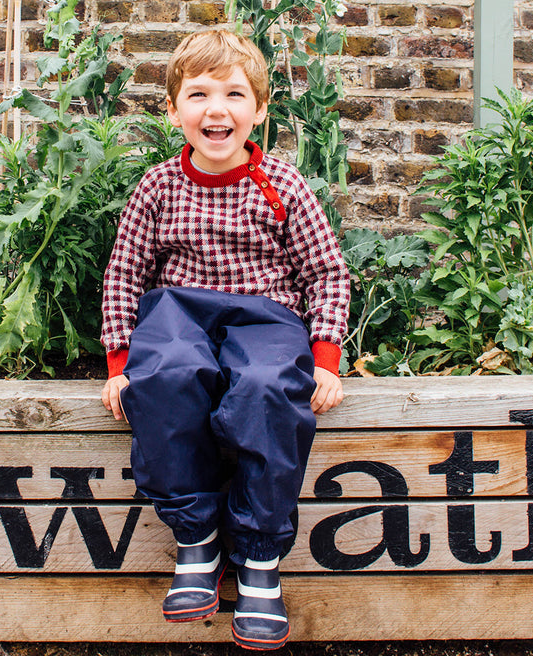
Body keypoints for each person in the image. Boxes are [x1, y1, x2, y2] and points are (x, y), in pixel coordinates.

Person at [101, 29, 350, 650]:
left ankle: (260, 557)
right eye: (199, 94)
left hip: (266, 319)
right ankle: (198, 538)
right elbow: (125, 274)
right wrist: (119, 361)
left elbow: (325, 273)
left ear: (259, 110)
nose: (217, 109)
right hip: (176, 316)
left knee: (268, 389)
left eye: (235, 94)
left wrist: (324, 358)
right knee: (168, 382)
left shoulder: (283, 187)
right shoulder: (157, 188)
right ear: (174, 110)